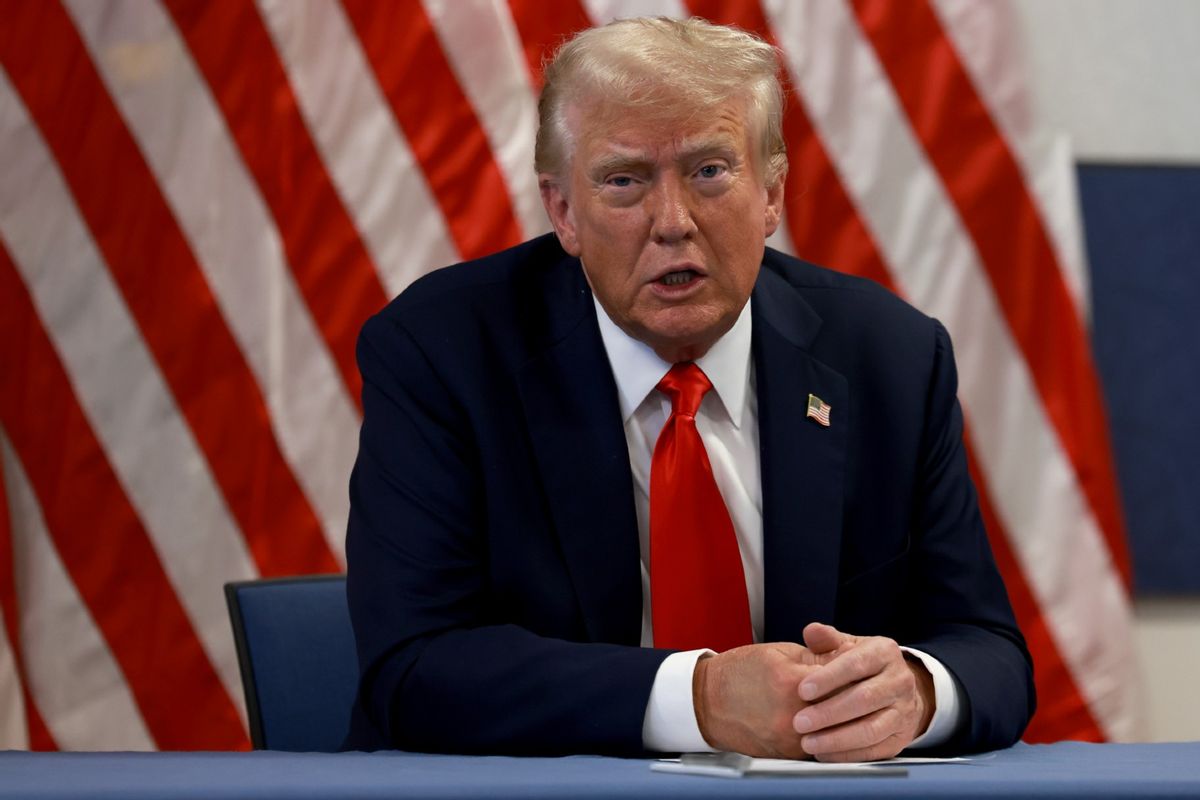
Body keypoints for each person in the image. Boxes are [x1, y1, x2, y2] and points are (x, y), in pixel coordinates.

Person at [343, 17, 1034, 761]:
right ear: (562, 211)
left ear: (771, 194)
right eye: (624, 181)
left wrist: (916, 693)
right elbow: (413, 669)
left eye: (710, 171)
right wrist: (699, 700)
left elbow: (987, 649)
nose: (673, 223)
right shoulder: (443, 352)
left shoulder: (888, 356)